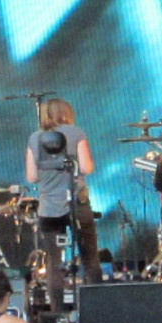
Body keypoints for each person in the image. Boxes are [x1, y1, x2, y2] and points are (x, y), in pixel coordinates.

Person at [24, 97, 102, 312]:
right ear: (66, 113)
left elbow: (31, 177)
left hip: (49, 209)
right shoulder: (76, 133)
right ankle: (98, 311)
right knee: (90, 258)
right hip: (77, 204)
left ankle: (57, 313)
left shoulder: (34, 138)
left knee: (54, 263)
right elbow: (86, 168)